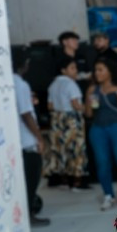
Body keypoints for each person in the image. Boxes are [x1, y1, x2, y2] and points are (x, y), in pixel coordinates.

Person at [85, 53, 117, 211]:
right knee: (102, 164)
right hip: (98, 129)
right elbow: (88, 114)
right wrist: (89, 100)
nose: (97, 73)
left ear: (109, 71)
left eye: (100, 70)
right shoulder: (93, 89)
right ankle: (108, 195)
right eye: (95, 70)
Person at [14, 48, 50, 227]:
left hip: (15, 142)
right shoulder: (20, 84)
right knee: (31, 180)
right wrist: (39, 137)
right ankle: (29, 215)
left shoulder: (7, 82)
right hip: (27, 141)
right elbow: (26, 113)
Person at [44, 56, 89, 191]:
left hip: (57, 119)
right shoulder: (71, 84)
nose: (75, 71)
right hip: (71, 119)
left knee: (60, 149)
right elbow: (75, 104)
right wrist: (86, 108)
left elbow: (50, 106)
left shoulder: (53, 85)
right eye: (72, 68)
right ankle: (77, 181)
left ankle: (64, 179)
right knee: (76, 148)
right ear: (63, 70)